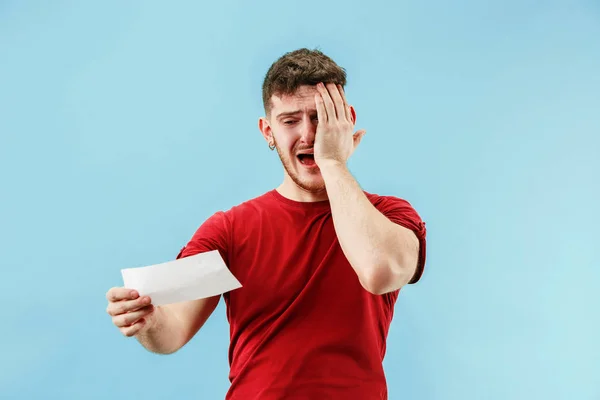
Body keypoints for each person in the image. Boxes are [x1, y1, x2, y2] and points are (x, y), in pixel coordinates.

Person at [105, 48, 427, 399]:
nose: (308, 135)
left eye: (321, 118)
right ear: (267, 131)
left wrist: (334, 162)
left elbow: (379, 271)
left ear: (346, 122)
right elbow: (173, 330)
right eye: (290, 121)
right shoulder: (230, 229)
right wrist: (148, 323)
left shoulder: (390, 215)